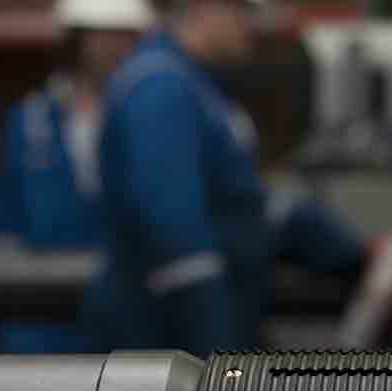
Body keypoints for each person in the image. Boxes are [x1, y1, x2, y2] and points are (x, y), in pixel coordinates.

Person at [97, 0, 367, 357]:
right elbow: (174, 226)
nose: (250, 25)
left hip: (198, 318)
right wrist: (218, 348)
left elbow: (237, 202)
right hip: (163, 336)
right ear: (204, 8)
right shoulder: (160, 87)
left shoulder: (191, 82)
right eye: (241, 10)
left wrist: (315, 233)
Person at [0, 0, 156, 354]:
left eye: (123, 36)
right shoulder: (32, 120)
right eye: (101, 35)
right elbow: (8, 224)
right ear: (76, 39)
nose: (112, 48)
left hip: (125, 318)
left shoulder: (153, 116)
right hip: (42, 322)